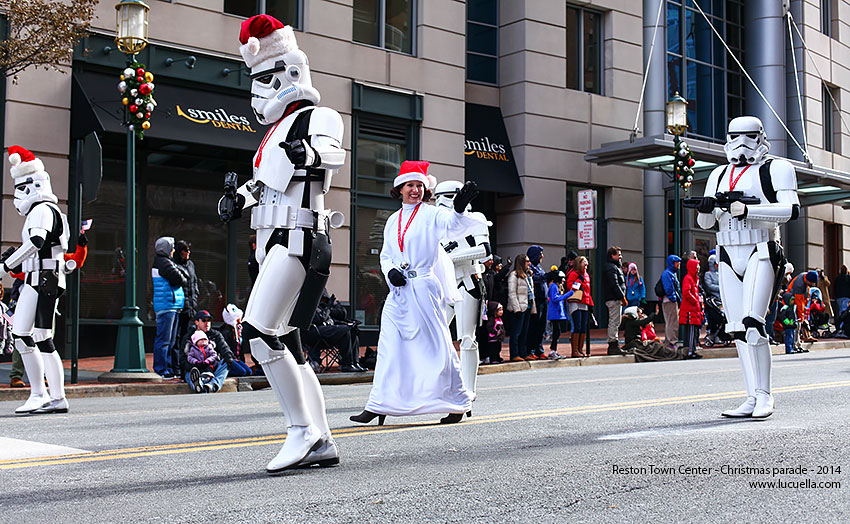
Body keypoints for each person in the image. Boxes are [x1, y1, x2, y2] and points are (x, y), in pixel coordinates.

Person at [217, 14, 345, 473]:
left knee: (258, 333)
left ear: (291, 73)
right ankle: (320, 435)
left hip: (300, 238)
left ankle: (303, 432)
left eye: (265, 80)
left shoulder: (317, 117)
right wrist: (236, 200)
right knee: (286, 340)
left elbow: (332, 153)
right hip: (273, 241)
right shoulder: (270, 136)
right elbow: (267, 187)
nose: (259, 90)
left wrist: (307, 153)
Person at [350, 161, 482, 426]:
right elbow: (386, 255)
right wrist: (390, 273)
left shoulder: (431, 214)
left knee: (437, 346)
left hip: (423, 287)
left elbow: (452, 226)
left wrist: (457, 209)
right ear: (399, 188)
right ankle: (379, 404)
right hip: (399, 291)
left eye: (420, 185)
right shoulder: (391, 220)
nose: (415, 190)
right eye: (410, 185)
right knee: (389, 346)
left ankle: (457, 403)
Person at [695, 115, 799, 418]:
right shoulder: (718, 174)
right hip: (727, 252)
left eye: (748, 137)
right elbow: (705, 223)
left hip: (761, 250)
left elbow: (791, 209)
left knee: (754, 323)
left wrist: (748, 209)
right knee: (738, 329)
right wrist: (707, 207)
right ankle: (752, 396)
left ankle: (765, 394)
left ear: (760, 137)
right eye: (735, 137)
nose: (741, 144)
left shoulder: (777, 169)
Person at [1, 146, 78, 414]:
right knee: (29, 336)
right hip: (41, 278)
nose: (17, 196)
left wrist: (8, 263)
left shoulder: (43, 210)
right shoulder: (49, 210)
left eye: (20, 188)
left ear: (32, 184)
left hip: (44, 279)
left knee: (35, 336)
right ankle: (48, 395)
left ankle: (47, 395)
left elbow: (37, 241)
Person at [434, 180, 491, 397]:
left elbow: (484, 250)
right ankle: (438, 385)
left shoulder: (475, 219)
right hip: (442, 285)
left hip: (467, 282)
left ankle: (469, 388)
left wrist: (448, 258)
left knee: (467, 338)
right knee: (436, 336)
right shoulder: (436, 223)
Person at [151, 236, 186, 378]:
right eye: (171, 247)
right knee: (164, 340)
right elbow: (181, 278)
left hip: (173, 305)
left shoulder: (166, 262)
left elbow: (183, 276)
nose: (173, 250)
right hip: (167, 306)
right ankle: (161, 369)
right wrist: (182, 276)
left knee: (171, 340)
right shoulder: (163, 263)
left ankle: (168, 368)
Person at [173, 240, 200, 362]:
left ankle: (186, 362)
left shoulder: (190, 265)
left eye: (189, 250)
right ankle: (177, 363)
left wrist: (194, 298)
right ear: (180, 252)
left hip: (191, 306)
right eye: (185, 250)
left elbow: (194, 283)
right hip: (180, 306)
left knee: (188, 335)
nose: (188, 252)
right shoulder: (174, 265)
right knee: (177, 336)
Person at [506, 254, 535, 362]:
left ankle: (523, 353)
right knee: (516, 332)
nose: (529, 263)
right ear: (522, 262)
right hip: (518, 308)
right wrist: (516, 308)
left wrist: (533, 307)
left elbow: (531, 292)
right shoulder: (514, 275)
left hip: (527, 306)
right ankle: (514, 354)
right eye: (527, 261)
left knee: (524, 332)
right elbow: (512, 293)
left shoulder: (528, 275)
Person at [566, 256, 593, 358]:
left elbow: (588, 291)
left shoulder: (586, 275)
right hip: (575, 302)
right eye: (584, 263)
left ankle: (580, 349)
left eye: (587, 263)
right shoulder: (573, 274)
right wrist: (579, 281)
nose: (586, 265)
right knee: (577, 326)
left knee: (583, 327)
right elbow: (571, 287)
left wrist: (590, 304)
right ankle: (575, 350)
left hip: (584, 302)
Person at [602, 246, 626, 355]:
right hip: (614, 298)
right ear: (612, 255)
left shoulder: (613, 267)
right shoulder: (611, 267)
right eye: (618, 254)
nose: (620, 257)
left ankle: (614, 343)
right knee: (614, 321)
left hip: (615, 298)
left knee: (616, 321)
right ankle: (613, 344)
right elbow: (614, 284)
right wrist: (622, 297)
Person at [526, 245, 548, 359]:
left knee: (541, 327)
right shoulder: (530, 268)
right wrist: (547, 276)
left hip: (543, 300)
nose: (542, 256)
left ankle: (539, 349)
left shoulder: (539, 267)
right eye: (540, 254)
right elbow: (536, 278)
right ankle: (531, 349)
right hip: (536, 300)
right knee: (534, 326)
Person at [546, 271, 575, 358]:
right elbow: (555, 298)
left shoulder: (557, 286)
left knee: (557, 332)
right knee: (556, 332)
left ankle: (554, 350)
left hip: (557, 313)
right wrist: (568, 295)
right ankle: (552, 351)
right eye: (562, 278)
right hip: (555, 313)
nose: (563, 280)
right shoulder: (553, 286)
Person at [679, 258, 703, 359]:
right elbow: (686, 292)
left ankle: (691, 350)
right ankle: (690, 351)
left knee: (692, 330)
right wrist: (695, 300)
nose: (698, 268)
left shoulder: (694, 278)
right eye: (697, 266)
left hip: (693, 308)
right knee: (691, 330)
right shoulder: (688, 278)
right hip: (690, 308)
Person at [220, 304, 253, 377]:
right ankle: (223, 372)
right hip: (229, 359)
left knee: (249, 372)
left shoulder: (239, 329)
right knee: (242, 372)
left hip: (236, 358)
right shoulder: (226, 332)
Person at [787, 271, 819, 342]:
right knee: (798, 322)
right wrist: (801, 318)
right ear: (808, 281)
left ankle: (806, 335)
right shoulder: (799, 285)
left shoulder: (805, 278)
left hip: (800, 302)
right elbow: (799, 304)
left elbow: (806, 296)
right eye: (812, 283)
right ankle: (796, 339)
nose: (813, 284)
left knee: (804, 320)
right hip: (792, 302)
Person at [660, 255, 682, 351]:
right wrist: (674, 299)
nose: (679, 264)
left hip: (670, 300)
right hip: (669, 301)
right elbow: (669, 288)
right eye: (677, 262)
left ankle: (669, 342)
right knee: (672, 322)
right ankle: (671, 342)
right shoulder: (668, 274)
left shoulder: (670, 273)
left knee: (671, 322)